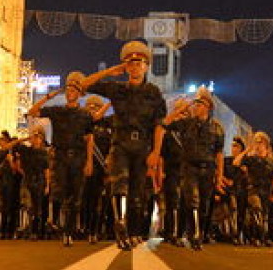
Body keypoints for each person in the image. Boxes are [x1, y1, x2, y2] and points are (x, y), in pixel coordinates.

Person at [78, 40, 167, 249]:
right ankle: (120, 223)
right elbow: (84, 84)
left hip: (142, 146)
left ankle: (134, 231)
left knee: (137, 192)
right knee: (119, 184)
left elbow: (160, 124)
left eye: (139, 63)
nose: (135, 67)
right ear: (126, 67)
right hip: (120, 144)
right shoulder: (117, 89)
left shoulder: (153, 93)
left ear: (146, 67)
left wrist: (156, 151)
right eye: (131, 63)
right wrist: (110, 71)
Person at [28, 72, 95, 247]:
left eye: (74, 89)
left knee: (75, 196)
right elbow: (32, 112)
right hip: (60, 157)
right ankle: (59, 224)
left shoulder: (85, 115)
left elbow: (90, 138)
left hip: (78, 157)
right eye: (68, 89)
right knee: (62, 193)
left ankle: (68, 232)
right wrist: (49, 96)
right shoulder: (56, 111)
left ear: (80, 94)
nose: (70, 92)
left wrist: (89, 161)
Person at [161, 87, 224, 250]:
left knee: (203, 205)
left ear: (208, 106)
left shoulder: (217, 128)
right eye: (195, 104)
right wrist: (181, 109)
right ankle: (195, 236)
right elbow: (165, 123)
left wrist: (220, 175)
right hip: (189, 168)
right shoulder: (186, 124)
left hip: (208, 169)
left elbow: (219, 154)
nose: (196, 107)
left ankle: (197, 233)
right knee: (193, 201)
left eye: (200, 104)